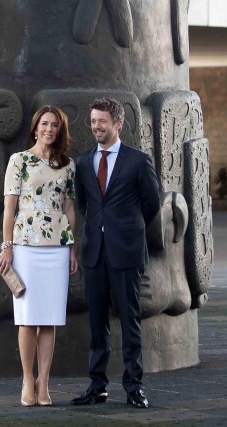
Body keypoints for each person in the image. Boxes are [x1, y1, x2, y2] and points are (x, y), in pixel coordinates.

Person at [71, 97, 160, 410]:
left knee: (130, 323)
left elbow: (152, 203)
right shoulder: (83, 162)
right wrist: (101, 228)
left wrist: (127, 229)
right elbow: (84, 204)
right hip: (94, 253)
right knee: (97, 324)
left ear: (118, 124)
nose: (96, 126)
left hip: (127, 253)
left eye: (102, 122)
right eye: (93, 121)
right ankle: (98, 387)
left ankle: (134, 387)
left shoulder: (138, 160)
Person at [0, 105, 78, 407]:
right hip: (26, 247)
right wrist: (7, 246)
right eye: (44, 124)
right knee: (28, 320)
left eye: (55, 125)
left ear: (60, 130)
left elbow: (70, 209)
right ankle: (26, 381)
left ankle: (44, 383)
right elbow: (9, 208)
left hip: (57, 247)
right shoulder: (19, 161)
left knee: (50, 320)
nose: (49, 129)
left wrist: (72, 248)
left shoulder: (68, 165)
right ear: (35, 127)